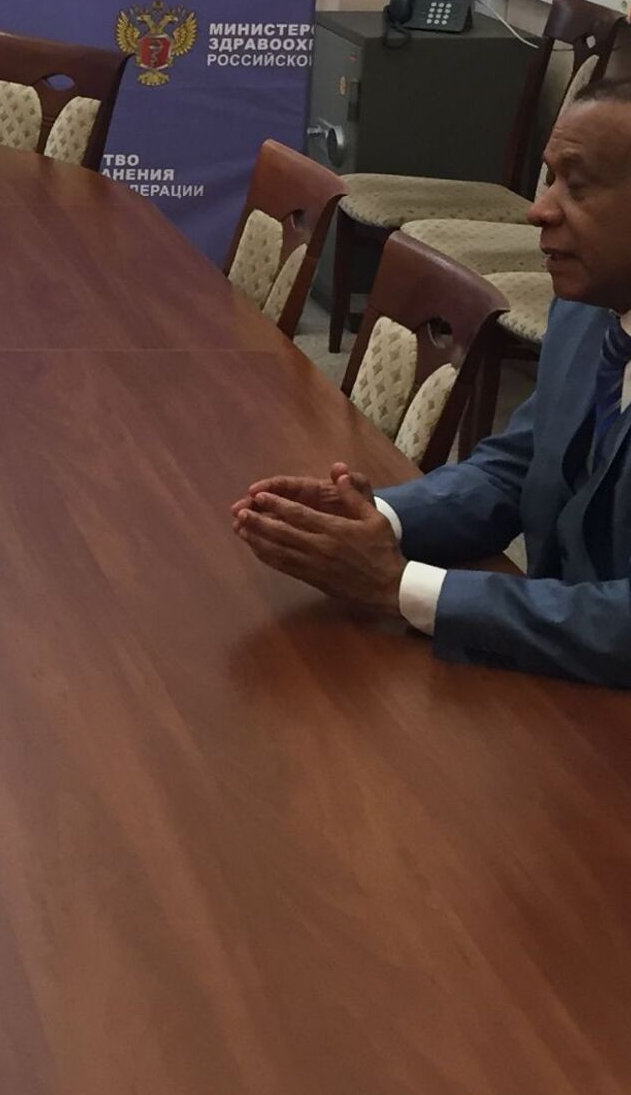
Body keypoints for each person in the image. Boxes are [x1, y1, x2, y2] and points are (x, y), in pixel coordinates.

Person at [233, 70, 631, 685]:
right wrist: (375, 520)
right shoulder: (585, 313)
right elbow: (518, 466)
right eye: (548, 179)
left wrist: (402, 587)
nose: (539, 210)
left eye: (575, 187)